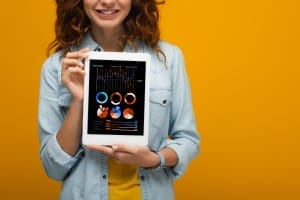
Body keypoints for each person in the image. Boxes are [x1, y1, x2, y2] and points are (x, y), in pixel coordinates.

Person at [38, 0, 200, 199]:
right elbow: (53, 168)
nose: (106, 1)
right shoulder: (58, 66)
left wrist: (152, 159)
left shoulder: (169, 58)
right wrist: (78, 100)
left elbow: (188, 140)